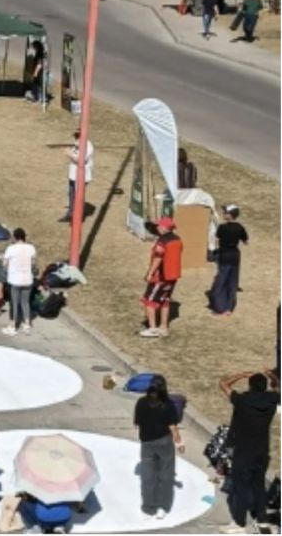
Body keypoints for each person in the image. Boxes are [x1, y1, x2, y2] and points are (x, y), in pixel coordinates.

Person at [219, 370, 280, 533]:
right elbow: (279, 387)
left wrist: (241, 374)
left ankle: (239, 523)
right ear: (265, 386)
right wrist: (273, 377)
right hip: (262, 452)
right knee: (259, 487)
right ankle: (262, 521)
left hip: (244, 452)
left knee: (240, 488)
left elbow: (223, 384)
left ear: (250, 385)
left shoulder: (242, 401)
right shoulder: (272, 401)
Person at [133, 374, 184, 519]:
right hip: (164, 442)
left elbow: (136, 423)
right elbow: (173, 427)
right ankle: (163, 506)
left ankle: (148, 507)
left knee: (148, 476)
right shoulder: (168, 405)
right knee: (166, 475)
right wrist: (179, 442)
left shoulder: (141, 402)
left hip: (147, 443)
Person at [140, 217, 183, 338]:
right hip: (172, 276)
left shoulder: (162, 242)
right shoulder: (177, 239)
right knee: (165, 301)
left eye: (159, 225)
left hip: (160, 276)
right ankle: (163, 327)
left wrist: (150, 273)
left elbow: (158, 258)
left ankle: (152, 328)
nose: (157, 227)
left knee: (149, 300)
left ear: (164, 228)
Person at [208, 205, 248, 316]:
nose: (223, 214)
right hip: (235, 255)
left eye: (225, 212)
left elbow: (215, 242)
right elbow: (246, 241)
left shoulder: (222, 228)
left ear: (230, 215)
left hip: (224, 255)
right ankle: (229, 308)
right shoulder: (240, 227)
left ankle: (219, 308)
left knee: (221, 282)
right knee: (233, 281)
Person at [2, 228, 36, 336]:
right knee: (25, 302)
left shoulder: (10, 249)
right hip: (27, 279)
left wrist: (7, 271)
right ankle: (27, 324)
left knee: (14, 303)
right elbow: (33, 264)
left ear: (15, 237)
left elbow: (5, 264)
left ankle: (13, 325)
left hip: (15, 279)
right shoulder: (31, 248)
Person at [63, 131, 94, 222]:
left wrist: (69, 154)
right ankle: (71, 213)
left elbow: (81, 160)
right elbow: (74, 154)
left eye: (77, 136)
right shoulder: (76, 144)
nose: (75, 138)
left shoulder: (88, 146)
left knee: (78, 196)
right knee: (71, 194)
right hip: (73, 174)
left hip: (81, 176)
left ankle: (78, 216)